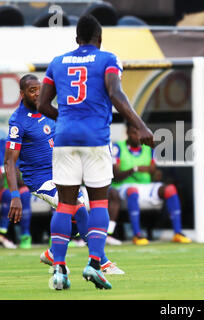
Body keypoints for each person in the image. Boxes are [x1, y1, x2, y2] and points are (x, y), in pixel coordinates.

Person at [36, 15, 153, 290]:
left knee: (65, 204)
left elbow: (42, 104)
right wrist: (141, 126)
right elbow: (115, 93)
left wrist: (64, 118)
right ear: (99, 39)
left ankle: (59, 269)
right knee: (99, 202)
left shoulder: (58, 62)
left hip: (64, 139)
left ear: (76, 39)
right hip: (95, 139)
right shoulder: (107, 59)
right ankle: (94, 263)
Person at [4, 74, 124, 277]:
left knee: (79, 212)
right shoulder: (18, 121)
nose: (38, 93)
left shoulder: (49, 111)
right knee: (78, 210)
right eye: (32, 90)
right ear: (22, 94)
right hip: (41, 180)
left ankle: (54, 254)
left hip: (63, 172)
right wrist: (15, 195)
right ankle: (101, 261)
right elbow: (9, 161)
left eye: (39, 89)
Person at [110, 122, 192, 245]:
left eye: (139, 133)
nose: (137, 136)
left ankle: (178, 233)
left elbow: (153, 171)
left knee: (170, 189)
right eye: (134, 133)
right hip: (123, 187)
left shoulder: (148, 148)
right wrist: (134, 169)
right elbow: (115, 175)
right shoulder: (118, 147)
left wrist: (156, 173)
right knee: (133, 191)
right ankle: (137, 235)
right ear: (127, 132)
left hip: (145, 186)